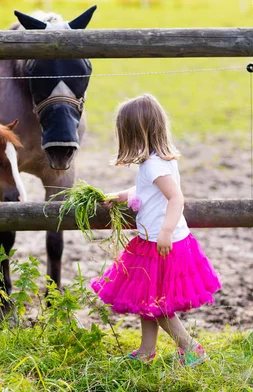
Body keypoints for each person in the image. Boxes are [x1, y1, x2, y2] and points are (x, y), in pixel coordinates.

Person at [91, 94, 221, 367]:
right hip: (151, 242)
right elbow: (147, 192)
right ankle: (146, 351)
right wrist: (120, 195)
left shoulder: (154, 165)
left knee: (158, 303)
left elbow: (176, 198)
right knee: (146, 299)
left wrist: (165, 231)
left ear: (136, 133)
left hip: (163, 244)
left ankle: (190, 348)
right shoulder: (158, 161)